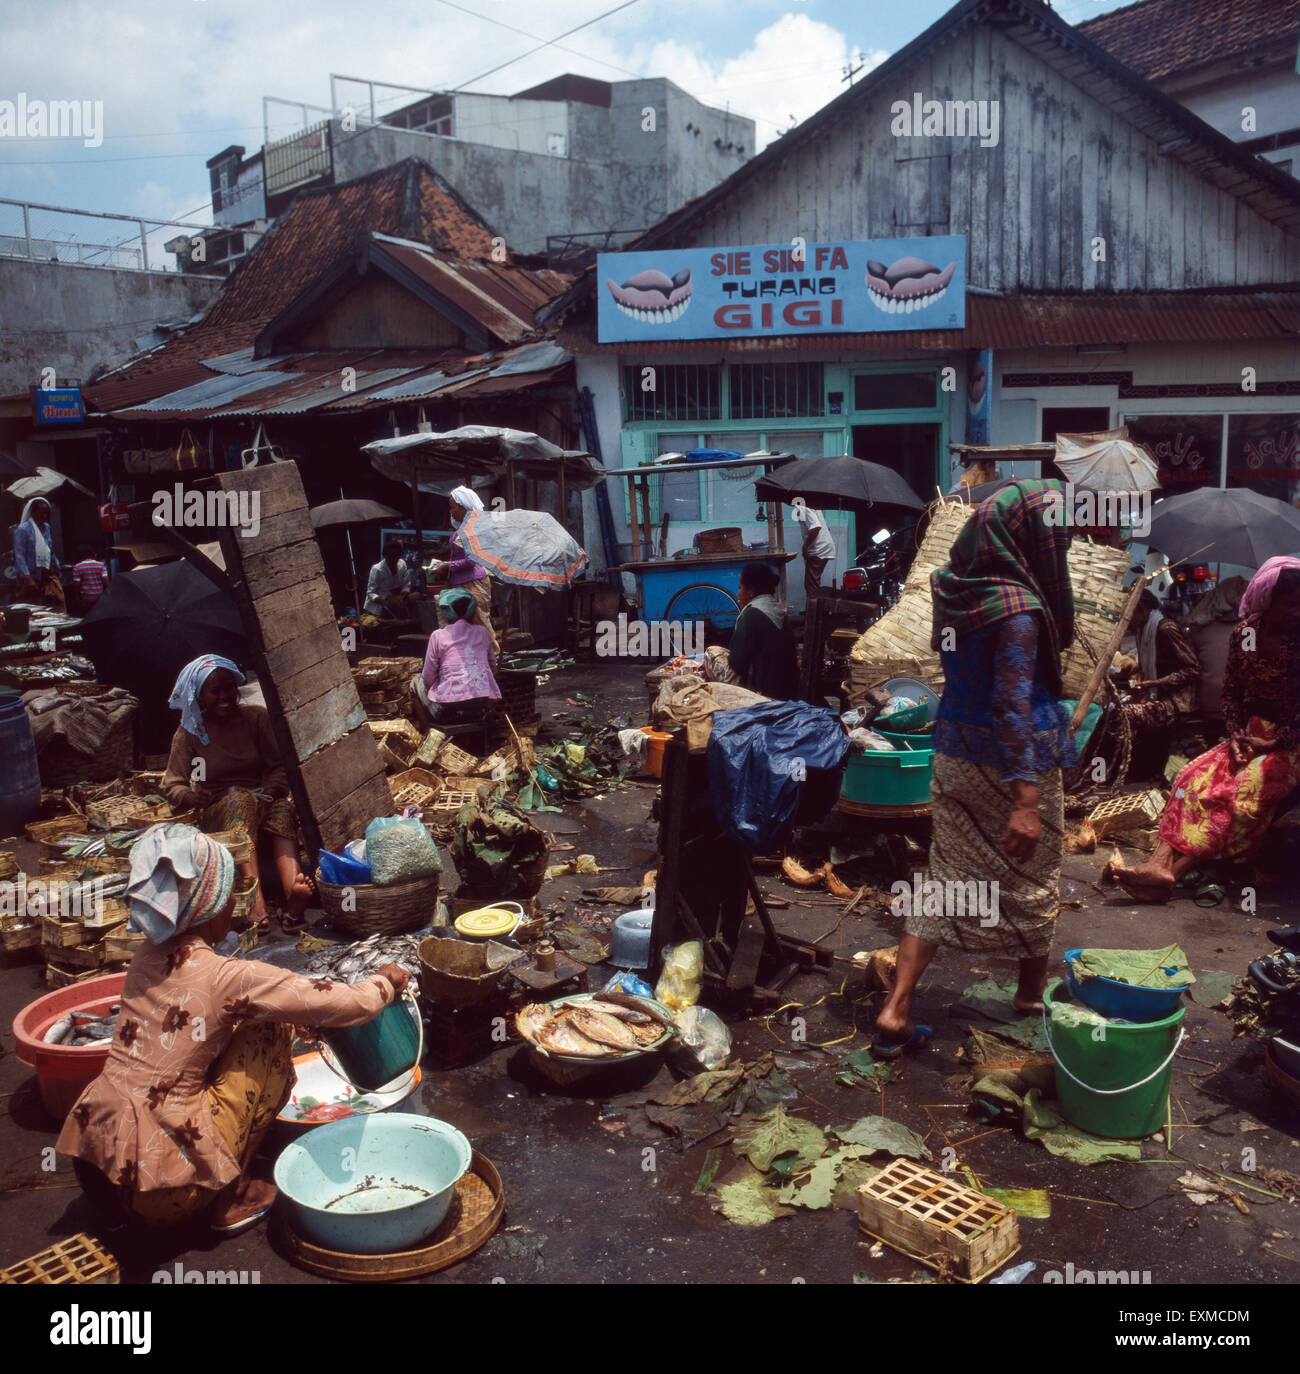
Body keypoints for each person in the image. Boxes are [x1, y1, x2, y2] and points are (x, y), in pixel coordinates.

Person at [58, 823, 410, 1232]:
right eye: (228, 894)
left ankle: (199, 1182)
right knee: (272, 1029)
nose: (235, 904)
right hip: (165, 1193)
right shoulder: (227, 975)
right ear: (207, 904)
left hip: (96, 1165)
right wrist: (385, 981)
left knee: (218, 1040)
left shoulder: (145, 956)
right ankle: (230, 1195)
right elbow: (349, 1003)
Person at [875, 479, 1077, 1054]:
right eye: (1053, 534)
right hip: (1015, 766)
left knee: (943, 883)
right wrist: (1026, 800)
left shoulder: (957, 589)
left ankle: (895, 1009)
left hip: (955, 757)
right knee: (1035, 880)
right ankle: (1031, 995)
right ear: (1032, 539)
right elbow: (1011, 703)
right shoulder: (1017, 610)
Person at [1113, 557, 1300, 902]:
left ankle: (1172, 872)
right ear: (1267, 600)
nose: (1297, 612)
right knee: (1190, 778)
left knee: (1237, 793)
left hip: (1290, 743)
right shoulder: (1246, 635)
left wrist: (1271, 742)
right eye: (1291, 604)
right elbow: (1231, 693)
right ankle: (1159, 862)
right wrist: (1236, 736)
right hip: (1249, 732)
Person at [162, 655, 314, 934]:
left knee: (282, 810)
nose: (225, 696)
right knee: (239, 801)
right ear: (201, 696)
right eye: (215, 691)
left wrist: (272, 789)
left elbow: (277, 765)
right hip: (219, 808)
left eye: (229, 688)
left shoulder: (256, 718)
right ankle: (254, 902)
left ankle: (294, 895)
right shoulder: (190, 732)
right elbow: (173, 784)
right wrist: (190, 796)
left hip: (262, 798)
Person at [704, 563, 798, 699]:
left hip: (762, 691)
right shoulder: (777, 609)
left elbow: (736, 663)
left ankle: (724, 699)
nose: (738, 593)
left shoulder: (750, 614)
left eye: (740, 588)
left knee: (711, 652)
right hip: (786, 688)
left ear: (751, 591)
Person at [410, 586, 501, 725]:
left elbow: (428, 677)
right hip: (482, 709)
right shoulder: (483, 632)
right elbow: (492, 667)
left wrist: (442, 688)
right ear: (471, 611)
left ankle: (427, 731)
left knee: (415, 682)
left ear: (447, 612)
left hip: (448, 713)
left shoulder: (438, 635)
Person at [1120, 587, 1200, 741]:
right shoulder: (1142, 630)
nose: (1126, 621)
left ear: (1141, 610)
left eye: (1128, 615)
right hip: (1157, 695)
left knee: (1125, 715)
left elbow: (1194, 669)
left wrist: (1157, 682)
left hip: (1178, 701)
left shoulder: (1166, 628)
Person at [425, 486, 499, 653]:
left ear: (464, 507)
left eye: (453, 507)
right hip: (462, 582)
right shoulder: (463, 528)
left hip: (473, 583)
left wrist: (447, 567)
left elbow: (471, 560)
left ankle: (491, 664)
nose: (450, 511)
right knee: (465, 630)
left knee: (480, 627)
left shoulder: (472, 529)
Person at [11, 497, 64, 609]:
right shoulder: (23, 529)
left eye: (47, 513)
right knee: (31, 608)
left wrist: (57, 568)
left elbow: (49, 549)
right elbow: (19, 555)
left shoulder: (47, 527)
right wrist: (29, 579)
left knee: (49, 607)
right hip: (29, 578)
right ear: (33, 512)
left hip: (44, 576)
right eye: (41, 513)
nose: (44, 516)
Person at [364, 538, 413, 618]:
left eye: (395, 556)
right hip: (378, 606)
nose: (392, 560)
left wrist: (402, 597)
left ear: (399, 555)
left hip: (397, 601)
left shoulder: (402, 564)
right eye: (389, 557)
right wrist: (386, 603)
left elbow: (406, 583)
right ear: (385, 555)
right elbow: (370, 593)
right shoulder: (377, 569)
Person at [794, 502, 835, 598]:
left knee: (811, 587)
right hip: (822, 547)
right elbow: (824, 527)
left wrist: (805, 546)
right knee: (813, 584)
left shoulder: (803, 506)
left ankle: (815, 611)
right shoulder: (811, 505)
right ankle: (817, 609)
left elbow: (816, 527)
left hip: (819, 549)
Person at [72, 544, 110, 612]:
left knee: (87, 616)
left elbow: (77, 584)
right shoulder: (101, 565)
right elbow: (105, 580)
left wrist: (77, 597)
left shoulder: (77, 567)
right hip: (99, 596)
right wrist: (108, 593)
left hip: (86, 597)